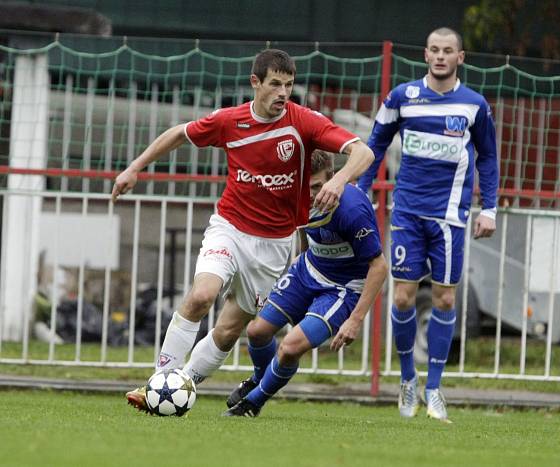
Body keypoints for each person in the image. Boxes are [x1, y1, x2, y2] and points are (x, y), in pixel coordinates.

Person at [112, 49, 375, 412]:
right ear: (256, 83)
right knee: (202, 295)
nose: (283, 93)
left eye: (289, 85)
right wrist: (134, 168)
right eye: (275, 84)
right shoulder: (230, 121)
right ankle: (158, 383)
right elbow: (178, 134)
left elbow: (364, 152)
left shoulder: (303, 123)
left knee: (228, 330)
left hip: (273, 245)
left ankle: (182, 384)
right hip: (230, 227)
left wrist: (341, 179)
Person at [356, 27, 498, 422]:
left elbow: (488, 158)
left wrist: (490, 209)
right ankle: (406, 380)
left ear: (460, 57)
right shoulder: (402, 96)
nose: (440, 56)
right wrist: (363, 190)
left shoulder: (473, 105)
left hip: (451, 216)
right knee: (402, 297)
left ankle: (434, 387)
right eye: (434, 50)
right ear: (425, 55)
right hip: (407, 211)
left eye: (447, 51)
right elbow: (376, 143)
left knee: (446, 298)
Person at [223, 149, 388, 417]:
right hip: (307, 270)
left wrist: (355, 320)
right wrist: (299, 260)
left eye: (318, 186)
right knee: (256, 332)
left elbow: (379, 266)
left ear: (333, 177)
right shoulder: (297, 195)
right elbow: (302, 227)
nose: (312, 194)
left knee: (290, 347)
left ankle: (253, 402)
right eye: (306, 187)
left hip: (342, 289)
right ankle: (258, 378)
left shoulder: (352, 209)